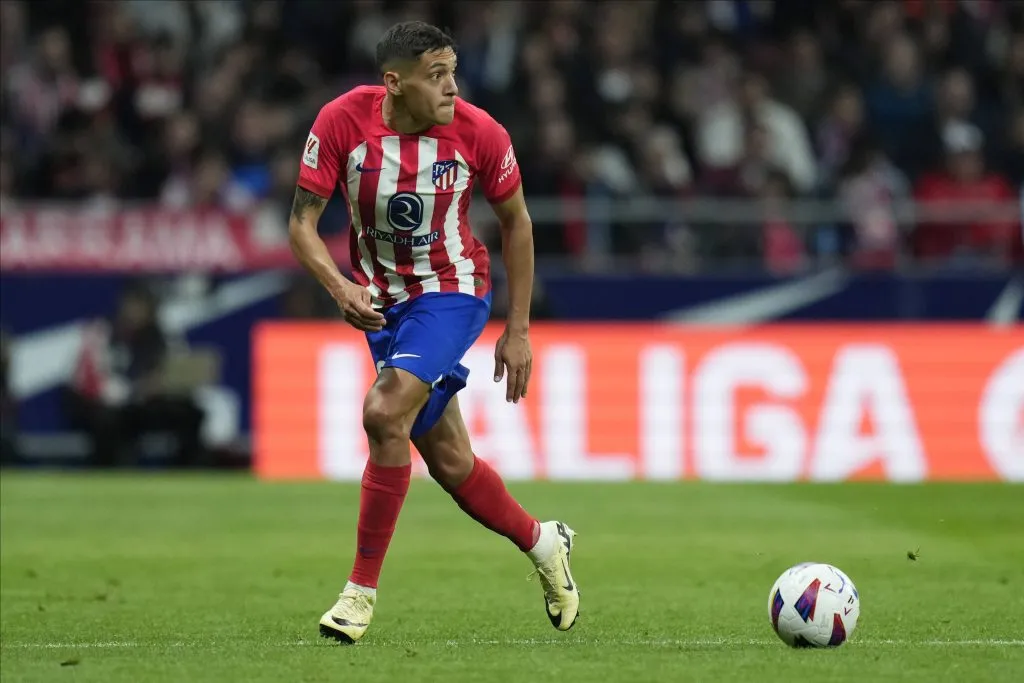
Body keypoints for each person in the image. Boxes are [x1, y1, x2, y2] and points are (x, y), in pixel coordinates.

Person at [288, 21, 580, 644]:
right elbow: (301, 226)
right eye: (436, 75)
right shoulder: (342, 122)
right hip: (382, 305)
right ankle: (543, 541)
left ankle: (358, 593)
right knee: (449, 460)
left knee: (383, 413)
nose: (452, 87)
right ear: (393, 84)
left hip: (451, 294)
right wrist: (341, 287)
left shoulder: (480, 132)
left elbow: (517, 224)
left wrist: (518, 328)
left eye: (454, 72)